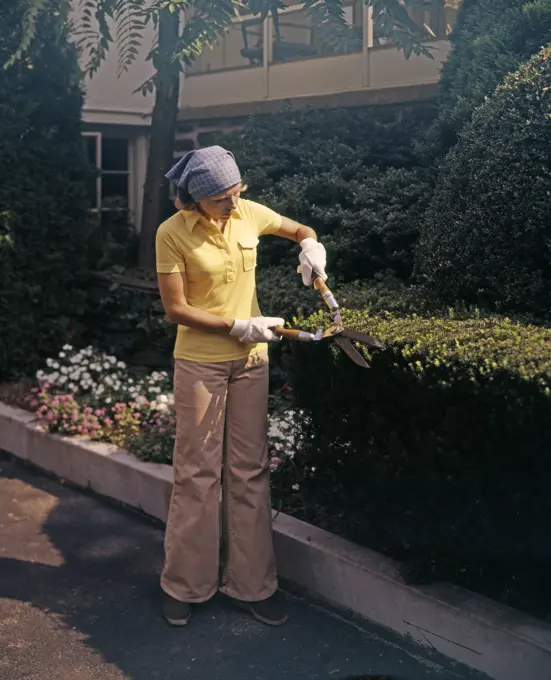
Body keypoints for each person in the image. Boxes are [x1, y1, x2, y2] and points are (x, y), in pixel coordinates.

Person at [156, 145, 327, 628]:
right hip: (201, 364)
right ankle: (185, 585)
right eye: (222, 200)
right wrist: (237, 325)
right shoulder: (171, 234)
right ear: (194, 199)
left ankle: (252, 585)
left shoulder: (249, 213)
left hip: (252, 362)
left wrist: (310, 248)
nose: (233, 206)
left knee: (250, 470)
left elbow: (298, 229)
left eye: (237, 194)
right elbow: (176, 309)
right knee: (197, 473)